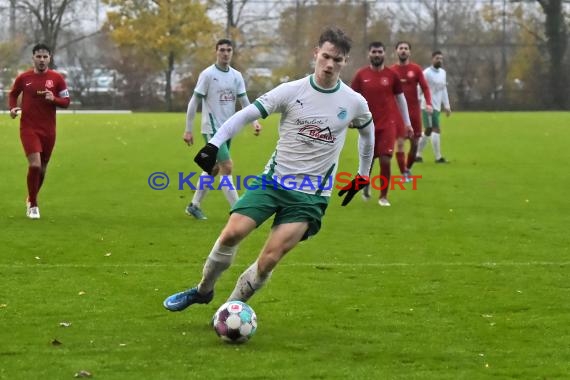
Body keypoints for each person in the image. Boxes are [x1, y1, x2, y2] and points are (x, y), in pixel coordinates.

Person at [163, 26, 374, 313]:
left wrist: (363, 174)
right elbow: (246, 114)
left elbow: (367, 134)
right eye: (326, 56)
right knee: (230, 235)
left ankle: (229, 310)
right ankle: (203, 291)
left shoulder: (353, 102)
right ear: (316, 53)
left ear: (345, 61)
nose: (329, 64)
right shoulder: (291, 91)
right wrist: (213, 144)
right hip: (272, 182)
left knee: (268, 260)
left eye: (337, 60)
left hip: (311, 197)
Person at [183, 38, 262, 220]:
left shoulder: (236, 75)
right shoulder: (208, 74)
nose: (225, 53)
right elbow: (194, 101)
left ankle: (194, 205)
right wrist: (188, 129)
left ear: (232, 52)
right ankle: (239, 210)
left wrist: (254, 122)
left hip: (229, 129)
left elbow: (244, 102)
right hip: (212, 128)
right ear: (216, 52)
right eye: (222, 50)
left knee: (214, 168)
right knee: (227, 166)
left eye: (228, 50)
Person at [8, 43, 70, 219]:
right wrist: (13, 108)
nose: (42, 60)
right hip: (28, 127)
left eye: (45, 56)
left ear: (50, 58)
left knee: (42, 169)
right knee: (34, 165)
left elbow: (66, 102)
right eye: (38, 56)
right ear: (33, 58)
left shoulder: (57, 78)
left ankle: (31, 197)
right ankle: (33, 206)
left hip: (49, 130)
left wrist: (54, 99)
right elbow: (13, 94)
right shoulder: (24, 78)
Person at [350, 41, 411, 207]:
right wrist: (349, 118)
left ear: (384, 54)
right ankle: (366, 185)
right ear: (369, 54)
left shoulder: (392, 75)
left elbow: (401, 99)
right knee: (368, 160)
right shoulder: (361, 75)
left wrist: (407, 123)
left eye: (380, 52)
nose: (377, 55)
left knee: (385, 159)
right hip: (367, 125)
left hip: (387, 124)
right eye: (374, 52)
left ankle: (383, 197)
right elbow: (351, 99)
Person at [390, 41, 432, 180]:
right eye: (401, 48)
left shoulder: (416, 69)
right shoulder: (391, 70)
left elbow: (425, 87)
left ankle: (407, 168)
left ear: (409, 52)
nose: (403, 51)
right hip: (398, 114)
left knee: (414, 144)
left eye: (406, 48)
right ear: (396, 51)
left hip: (414, 113)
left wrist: (429, 103)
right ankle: (404, 173)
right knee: (400, 143)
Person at [416, 50, 451, 163]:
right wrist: (419, 101)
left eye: (441, 58)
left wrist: (446, 105)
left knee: (428, 131)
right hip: (427, 106)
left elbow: (443, 89)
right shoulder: (426, 73)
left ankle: (417, 155)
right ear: (432, 59)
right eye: (437, 58)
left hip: (437, 106)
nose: (439, 60)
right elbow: (419, 88)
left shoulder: (443, 73)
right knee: (435, 129)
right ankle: (438, 157)